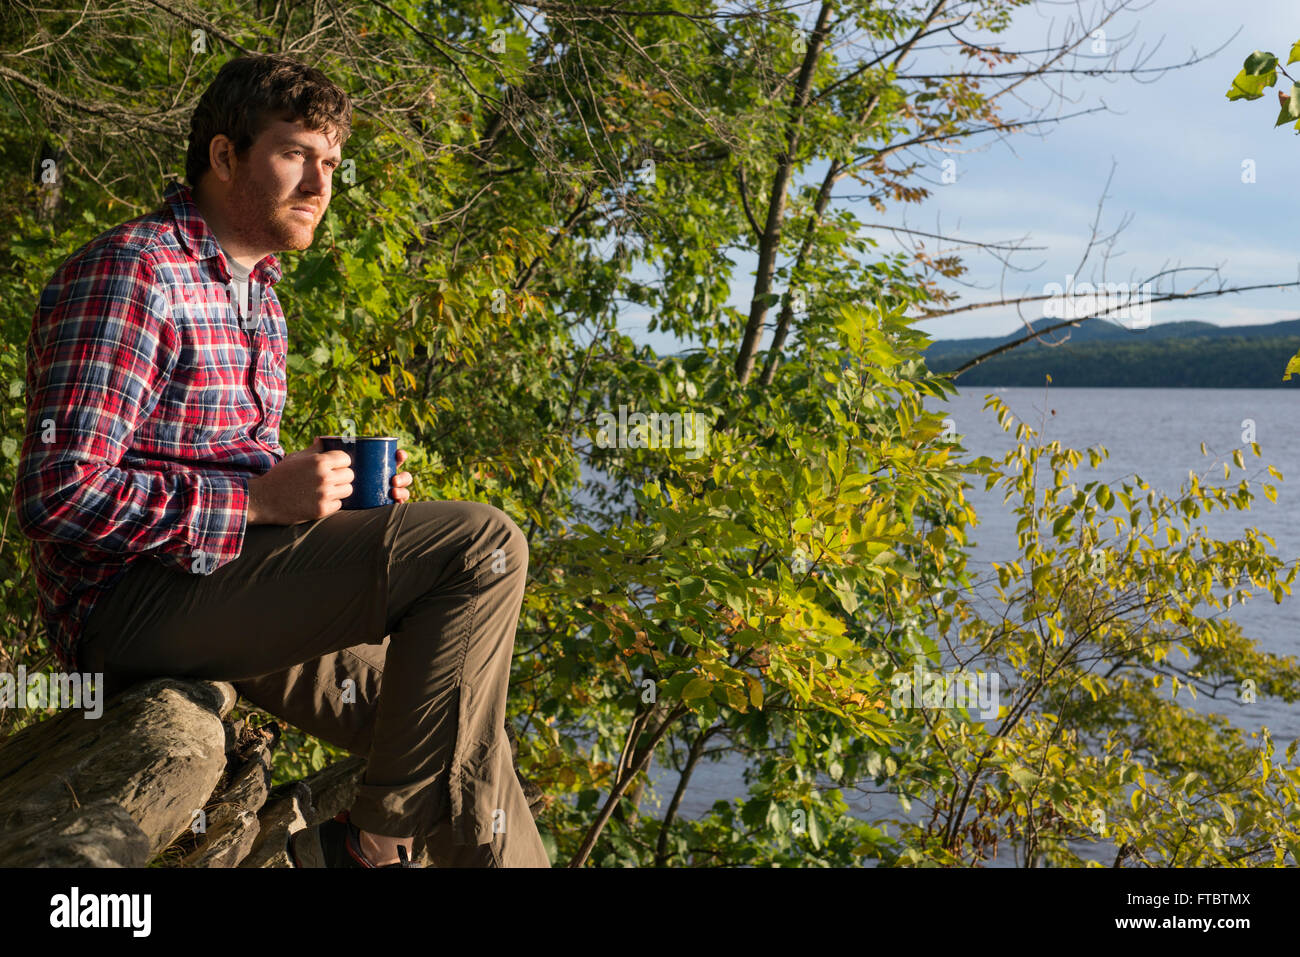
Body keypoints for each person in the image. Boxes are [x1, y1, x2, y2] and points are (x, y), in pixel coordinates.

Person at [12, 53, 550, 868]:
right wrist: (258, 503)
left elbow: (239, 474)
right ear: (225, 156)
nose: (321, 183)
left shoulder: (261, 302)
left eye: (330, 162)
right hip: (126, 607)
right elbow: (58, 494)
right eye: (297, 154)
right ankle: (371, 845)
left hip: (223, 585)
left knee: (447, 699)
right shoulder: (136, 272)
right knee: (482, 545)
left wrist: (330, 502)